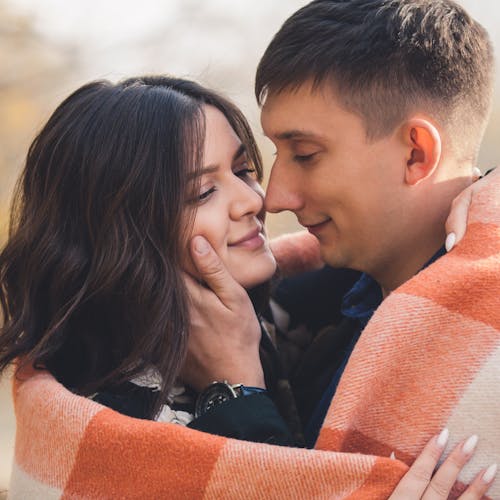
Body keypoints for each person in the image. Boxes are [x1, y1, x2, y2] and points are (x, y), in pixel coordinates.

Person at [0, 75, 493, 499]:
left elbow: (410, 240)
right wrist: (235, 390)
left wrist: (477, 193)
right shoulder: (103, 422)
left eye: (242, 171)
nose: (256, 201)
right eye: (204, 191)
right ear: (119, 234)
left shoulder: (286, 315)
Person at [183, 0, 499, 496]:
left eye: (305, 154)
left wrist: (234, 394)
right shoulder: (319, 308)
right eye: (273, 156)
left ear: (417, 153)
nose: (276, 196)